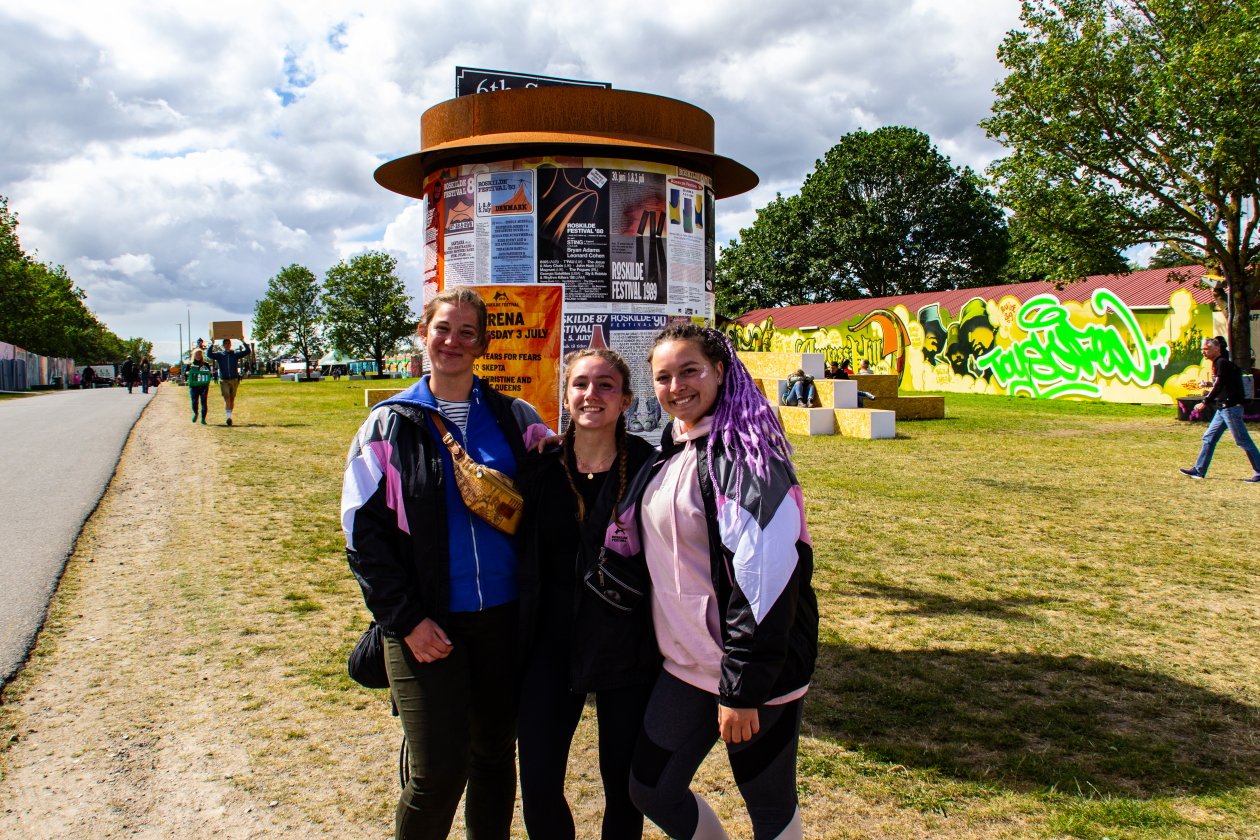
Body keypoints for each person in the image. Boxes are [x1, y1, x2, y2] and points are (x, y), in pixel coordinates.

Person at [342, 287, 550, 840]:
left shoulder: (515, 418)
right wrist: (405, 620)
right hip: (424, 623)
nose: (453, 341)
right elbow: (364, 538)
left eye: (466, 332)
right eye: (442, 329)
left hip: (504, 620)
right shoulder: (387, 426)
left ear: (482, 342)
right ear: (423, 334)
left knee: (492, 756)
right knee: (437, 771)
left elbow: (571, 481)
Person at [610, 324, 818, 840]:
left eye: (690, 371)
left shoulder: (749, 460)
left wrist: (743, 690)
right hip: (685, 667)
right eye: (663, 377)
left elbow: (766, 586)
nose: (676, 386)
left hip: (752, 676)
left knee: (769, 806)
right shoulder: (672, 449)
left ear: (720, 371)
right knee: (651, 789)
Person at [517, 348, 660, 840]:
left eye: (605, 385)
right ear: (566, 395)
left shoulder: (650, 468)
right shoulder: (540, 468)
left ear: (625, 399)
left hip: (626, 644)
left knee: (623, 785)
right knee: (537, 780)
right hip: (549, 645)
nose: (591, 394)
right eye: (580, 384)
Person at [1180, 336, 1260, 482]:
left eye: (1206, 349)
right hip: (1223, 409)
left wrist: (1205, 402)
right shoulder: (1219, 363)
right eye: (1202, 349)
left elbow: (1219, 385)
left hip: (1230, 409)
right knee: (1208, 438)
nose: (1203, 352)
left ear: (1217, 348)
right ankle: (1199, 470)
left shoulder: (1221, 363)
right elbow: (1222, 384)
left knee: (1242, 440)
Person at [207, 338, 253, 426]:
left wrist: (242, 341)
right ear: (223, 345)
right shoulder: (220, 355)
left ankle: (229, 415)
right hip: (224, 380)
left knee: (232, 399)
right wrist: (212, 344)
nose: (227, 345)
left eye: (229, 343)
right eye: (226, 343)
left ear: (230, 344)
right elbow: (209, 354)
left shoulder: (234, 354)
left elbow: (248, 351)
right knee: (227, 398)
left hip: (234, 379)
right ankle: (228, 418)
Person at [186, 349, 213, 424]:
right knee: (194, 401)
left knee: (203, 402)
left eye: (199, 354)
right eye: (197, 354)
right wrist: (188, 373)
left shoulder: (205, 364)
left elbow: (209, 374)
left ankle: (203, 419)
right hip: (193, 386)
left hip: (203, 386)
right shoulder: (190, 364)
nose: (198, 356)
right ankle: (195, 413)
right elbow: (185, 373)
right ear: (194, 355)